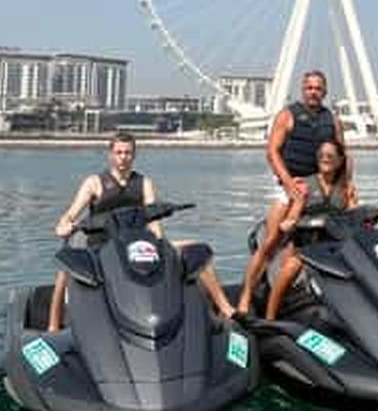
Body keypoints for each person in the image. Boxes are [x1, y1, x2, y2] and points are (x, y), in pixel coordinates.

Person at [47, 132, 233, 332]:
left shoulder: (144, 183)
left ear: (134, 155)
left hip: (138, 246)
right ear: (110, 155)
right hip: (101, 248)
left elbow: (154, 220)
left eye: (128, 153)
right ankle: (53, 325)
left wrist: (161, 245)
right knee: (65, 267)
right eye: (118, 152)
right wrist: (64, 225)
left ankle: (226, 310)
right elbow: (71, 214)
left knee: (197, 252)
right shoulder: (94, 183)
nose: (123, 157)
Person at [237, 70, 346, 314]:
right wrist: (288, 184)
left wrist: (347, 186)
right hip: (291, 187)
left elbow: (343, 154)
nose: (313, 92)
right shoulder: (287, 115)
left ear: (325, 92)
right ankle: (245, 298)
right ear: (302, 89)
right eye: (309, 87)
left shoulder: (333, 120)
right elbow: (272, 152)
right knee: (271, 243)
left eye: (318, 88)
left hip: (322, 188)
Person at [264, 139, 359, 320]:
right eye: (321, 156)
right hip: (306, 246)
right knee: (293, 265)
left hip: (333, 246)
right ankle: (270, 316)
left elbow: (354, 215)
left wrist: (370, 213)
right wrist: (289, 222)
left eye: (330, 156)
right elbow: (293, 215)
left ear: (340, 160)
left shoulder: (347, 189)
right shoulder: (305, 184)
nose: (325, 159)